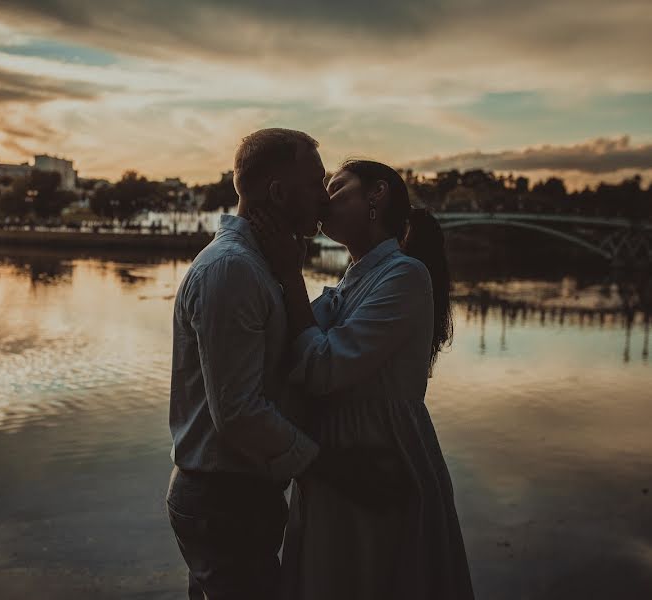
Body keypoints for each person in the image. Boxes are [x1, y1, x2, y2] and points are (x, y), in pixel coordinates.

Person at [167, 133, 406, 600]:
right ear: (278, 193)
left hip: (235, 498)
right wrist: (334, 467)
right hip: (224, 500)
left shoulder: (260, 266)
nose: (325, 196)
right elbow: (238, 412)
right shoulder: (232, 270)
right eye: (316, 182)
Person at [251, 160, 474, 599]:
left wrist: (291, 274)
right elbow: (286, 351)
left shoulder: (406, 276)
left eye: (336, 187)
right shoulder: (357, 278)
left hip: (378, 453)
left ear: (377, 194)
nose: (323, 199)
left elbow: (322, 367)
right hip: (340, 454)